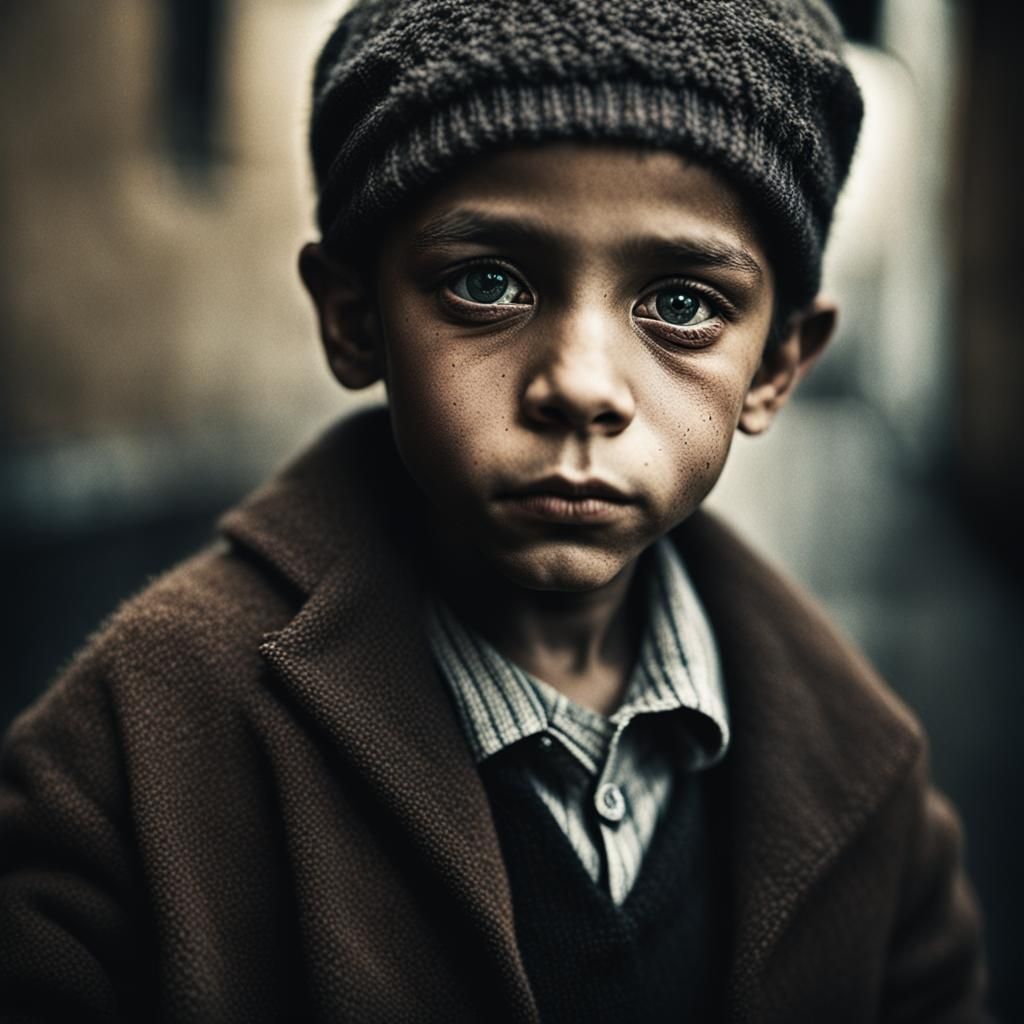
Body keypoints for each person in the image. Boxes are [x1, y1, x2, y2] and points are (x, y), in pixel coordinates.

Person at [0, 0, 991, 1020]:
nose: (579, 382)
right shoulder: (139, 753)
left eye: (683, 303)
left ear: (777, 365)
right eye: (487, 282)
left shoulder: (868, 788)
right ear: (353, 317)